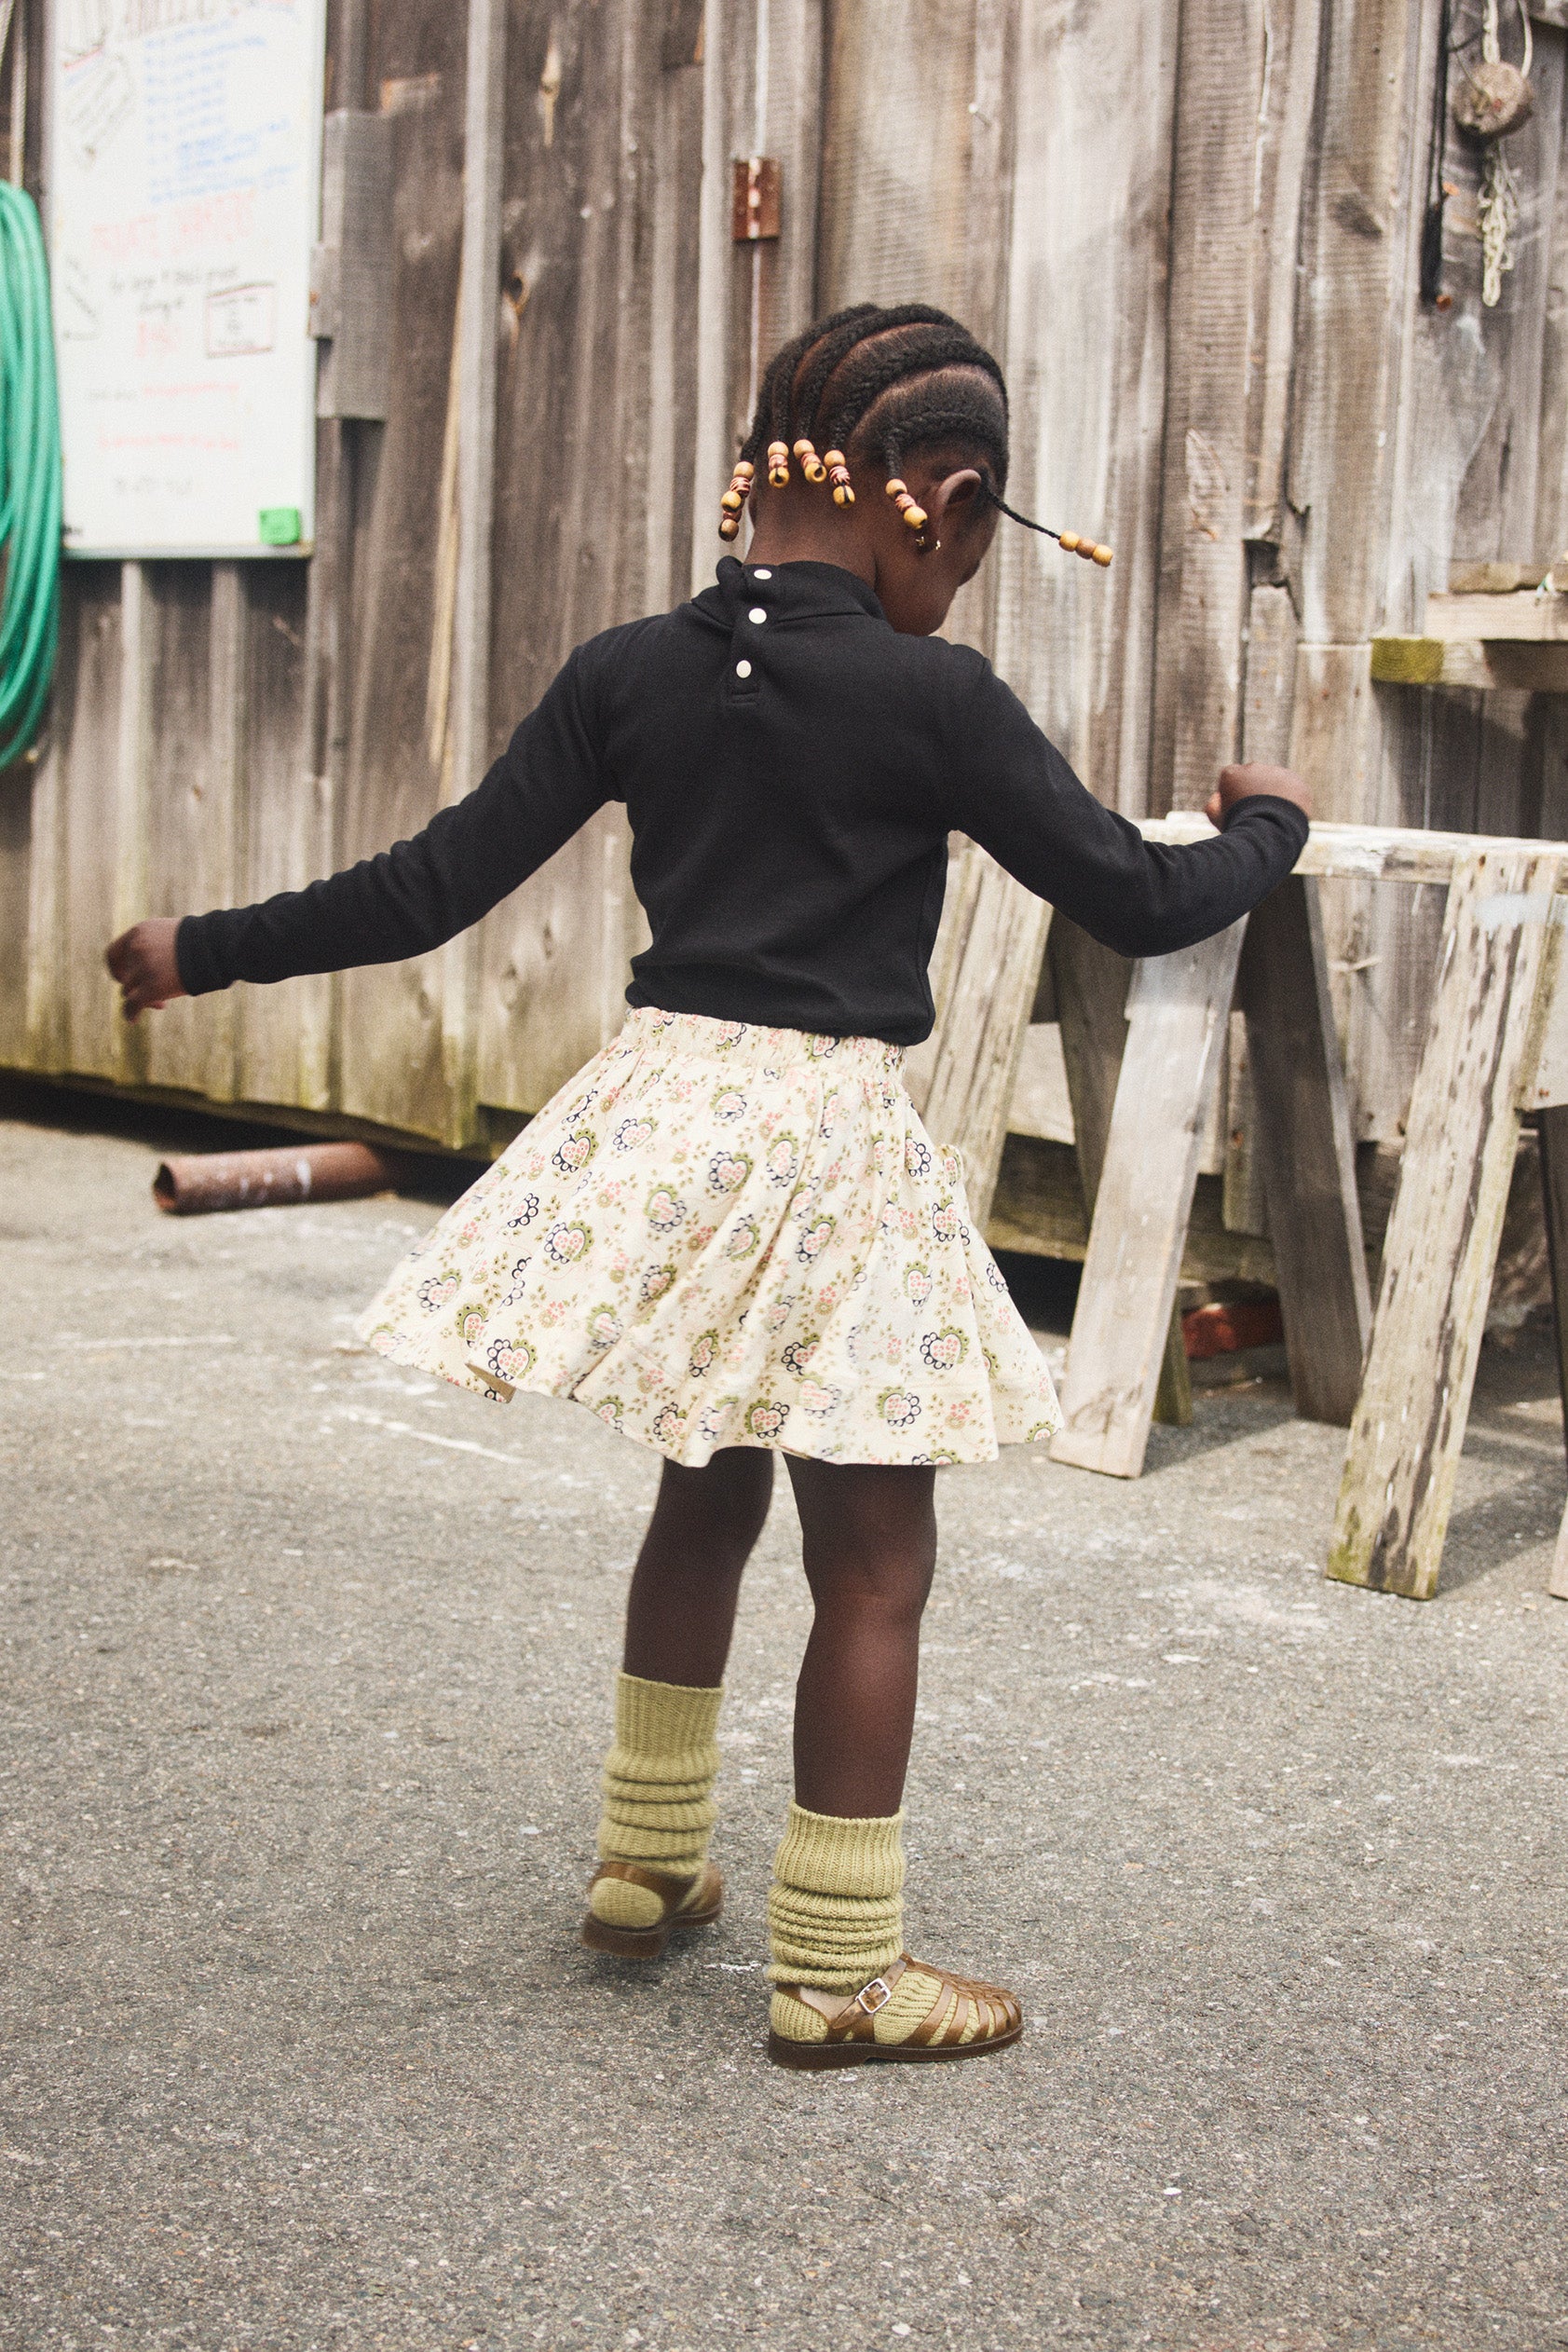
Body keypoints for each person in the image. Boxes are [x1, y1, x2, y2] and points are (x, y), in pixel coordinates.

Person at [107, 302, 1311, 2070]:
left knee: (706, 1485)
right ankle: (839, 1974)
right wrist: (1268, 823)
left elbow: (429, 885)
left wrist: (199, 947)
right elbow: (1139, 895)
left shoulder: (629, 671)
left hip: (663, 1124)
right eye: (974, 545)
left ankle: (648, 1860)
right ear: (941, 503)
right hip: (823, 1144)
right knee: (876, 1564)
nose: (962, 583)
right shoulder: (936, 698)